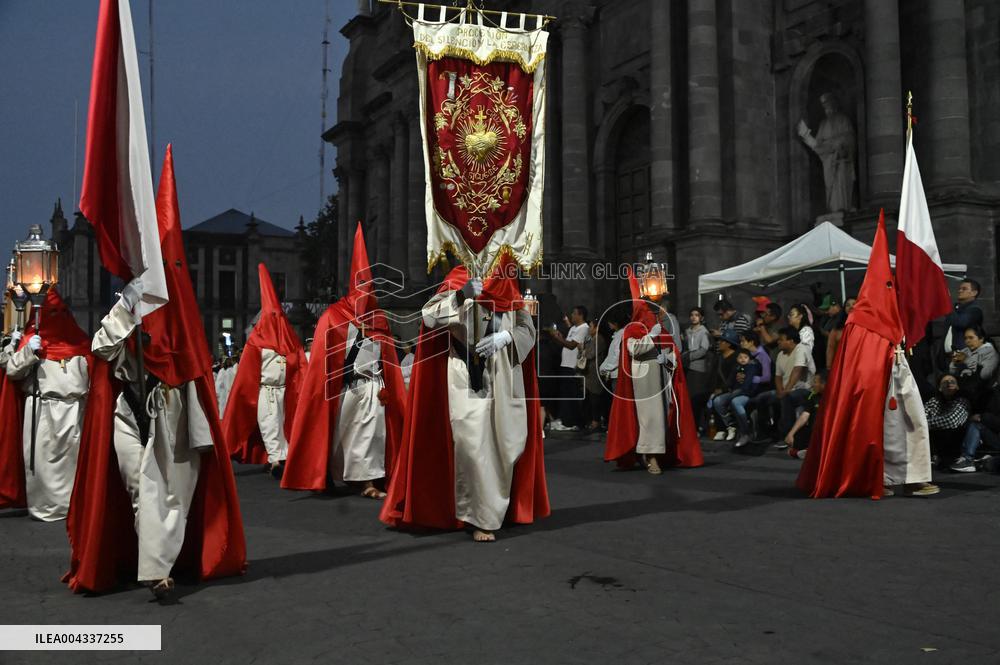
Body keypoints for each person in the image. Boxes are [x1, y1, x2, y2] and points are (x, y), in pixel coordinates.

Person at [65, 146, 245, 597]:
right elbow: (102, 348)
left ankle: (162, 565)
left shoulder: (182, 314)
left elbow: (190, 368)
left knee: (173, 494)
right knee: (137, 488)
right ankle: (153, 570)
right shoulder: (128, 304)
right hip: (130, 411)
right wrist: (129, 307)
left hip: (174, 413)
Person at [380, 257, 549, 542]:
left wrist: (507, 336)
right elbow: (429, 317)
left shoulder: (509, 281)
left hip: (506, 373)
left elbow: (527, 329)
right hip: (467, 375)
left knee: (508, 443)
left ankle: (499, 509)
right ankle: (481, 517)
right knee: (472, 443)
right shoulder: (459, 278)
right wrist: (461, 295)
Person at [282, 222, 406, 499]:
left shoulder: (379, 319)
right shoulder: (333, 317)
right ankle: (346, 476)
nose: (366, 292)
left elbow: (388, 359)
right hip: (347, 389)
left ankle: (370, 480)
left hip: (375, 388)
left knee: (373, 433)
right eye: (361, 285)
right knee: (346, 435)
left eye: (369, 286)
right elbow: (321, 364)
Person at [2, 289, 90, 522]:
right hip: (42, 409)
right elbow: (12, 371)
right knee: (42, 462)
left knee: (73, 462)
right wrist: (28, 351)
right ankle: (45, 506)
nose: (58, 317)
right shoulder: (33, 340)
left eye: (62, 312)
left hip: (74, 410)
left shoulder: (80, 342)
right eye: (53, 313)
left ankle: (72, 506)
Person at [604, 270, 703, 474]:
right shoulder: (633, 329)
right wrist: (651, 337)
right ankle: (651, 457)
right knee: (650, 417)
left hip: (661, 375)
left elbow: (673, 352)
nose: (655, 314)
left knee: (661, 416)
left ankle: (656, 454)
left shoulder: (660, 329)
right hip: (642, 377)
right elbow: (634, 349)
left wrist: (667, 358)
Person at [223, 265, 307, 477]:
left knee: (281, 424)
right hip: (266, 390)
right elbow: (247, 374)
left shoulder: (289, 341)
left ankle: (281, 457)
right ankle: (276, 460)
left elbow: (299, 365)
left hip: (283, 390)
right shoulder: (256, 343)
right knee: (269, 424)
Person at [797, 91, 857, 213]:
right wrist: (806, 137)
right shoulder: (823, 124)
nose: (827, 109)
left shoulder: (843, 119)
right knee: (831, 188)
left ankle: (843, 208)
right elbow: (818, 145)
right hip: (828, 161)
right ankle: (833, 209)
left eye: (828, 105)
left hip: (841, 160)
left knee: (840, 186)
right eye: (825, 106)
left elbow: (849, 138)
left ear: (834, 105)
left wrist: (838, 145)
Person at [548, 306, 589, 431]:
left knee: (572, 394)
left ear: (580, 315)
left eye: (574, 313)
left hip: (572, 366)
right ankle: (567, 420)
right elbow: (566, 342)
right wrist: (559, 336)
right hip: (565, 365)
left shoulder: (584, 328)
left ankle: (575, 422)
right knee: (566, 394)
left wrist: (556, 337)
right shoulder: (573, 328)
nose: (571, 315)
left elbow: (572, 346)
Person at [715, 348, 761, 447]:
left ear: (749, 358)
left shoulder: (752, 367)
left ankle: (746, 431)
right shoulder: (736, 367)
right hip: (735, 392)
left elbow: (747, 385)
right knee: (717, 401)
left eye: (745, 357)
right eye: (740, 357)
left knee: (735, 402)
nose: (743, 359)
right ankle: (731, 424)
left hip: (746, 393)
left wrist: (733, 395)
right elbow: (730, 382)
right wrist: (722, 390)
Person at [925, 374, 971, 468]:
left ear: (957, 387)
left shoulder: (962, 401)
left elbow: (951, 421)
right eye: (945, 382)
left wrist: (924, 423)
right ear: (940, 388)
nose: (949, 383)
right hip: (937, 443)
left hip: (954, 442)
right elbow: (921, 416)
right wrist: (922, 423)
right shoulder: (934, 401)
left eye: (952, 382)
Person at [951, 389, 1000, 473]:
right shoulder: (992, 392)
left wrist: (983, 417)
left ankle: (969, 460)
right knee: (975, 425)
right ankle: (968, 459)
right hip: (994, 435)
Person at [949, 326, 998, 408]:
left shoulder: (991, 353)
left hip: (984, 396)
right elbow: (952, 372)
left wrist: (966, 360)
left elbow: (984, 375)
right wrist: (954, 363)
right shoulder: (965, 351)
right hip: (964, 393)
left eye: (971, 338)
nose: (967, 341)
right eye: (965, 338)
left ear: (981, 339)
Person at [783, 370, 826, 459]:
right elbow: (805, 415)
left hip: (827, 432)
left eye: (815, 382)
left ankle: (811, 452)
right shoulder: (813, 396)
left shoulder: (837, 397)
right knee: (796, 440)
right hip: (813, 431)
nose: (812, 385)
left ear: (824, 384)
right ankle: (808, 452)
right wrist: (791, 433)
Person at [683, 307, 712, 431]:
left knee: (696, 399)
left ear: (701, 318)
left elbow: (703, 349)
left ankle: (699, 426)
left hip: (698, 368)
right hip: (688, 367)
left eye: (697, 315)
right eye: (692, 314)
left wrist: (689, 356)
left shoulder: (703, 331)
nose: (694, 317)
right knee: (689, 398)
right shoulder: (687, 331)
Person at [709, 330, 740, 440]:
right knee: (712, 399)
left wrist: (722, 390)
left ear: (729, 343)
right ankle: (721, 429)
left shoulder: (737, 358)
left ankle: (731, 426)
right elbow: (714, 376)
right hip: (720, 389)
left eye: (722, 341)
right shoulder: (719, 358)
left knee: (718, 400)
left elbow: (734, 378)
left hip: (733, 389)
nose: (719, 343)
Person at [944, 279, 983, 353]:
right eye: (959, 289)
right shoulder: (956, 308)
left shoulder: (975, 310)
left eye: (964, 289)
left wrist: (947, 303)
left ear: (974, 293)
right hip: (949, 356)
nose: (960, 291)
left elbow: (961, 322)